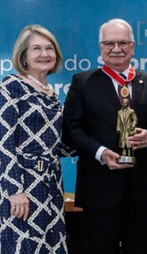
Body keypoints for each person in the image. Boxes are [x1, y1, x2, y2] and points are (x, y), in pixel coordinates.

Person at [61, 18, 147, 254]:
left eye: (123, 43)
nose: (116, 49)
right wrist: (101, 153)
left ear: (133, 46)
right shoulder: (83, 82)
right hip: (99, 189)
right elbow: (71, 130)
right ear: (100, 47)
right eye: (109, 43)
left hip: (142, 189)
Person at [0, 25, 68, 253]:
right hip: (23, 186)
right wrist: (15, 190)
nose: (44, 54)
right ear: (24, 56)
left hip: (51, 185)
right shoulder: (11, 86)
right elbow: (3, 142)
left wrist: (99, 145)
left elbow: (52, 145)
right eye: (36, 48)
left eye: (49, 48)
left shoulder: (51, 93)